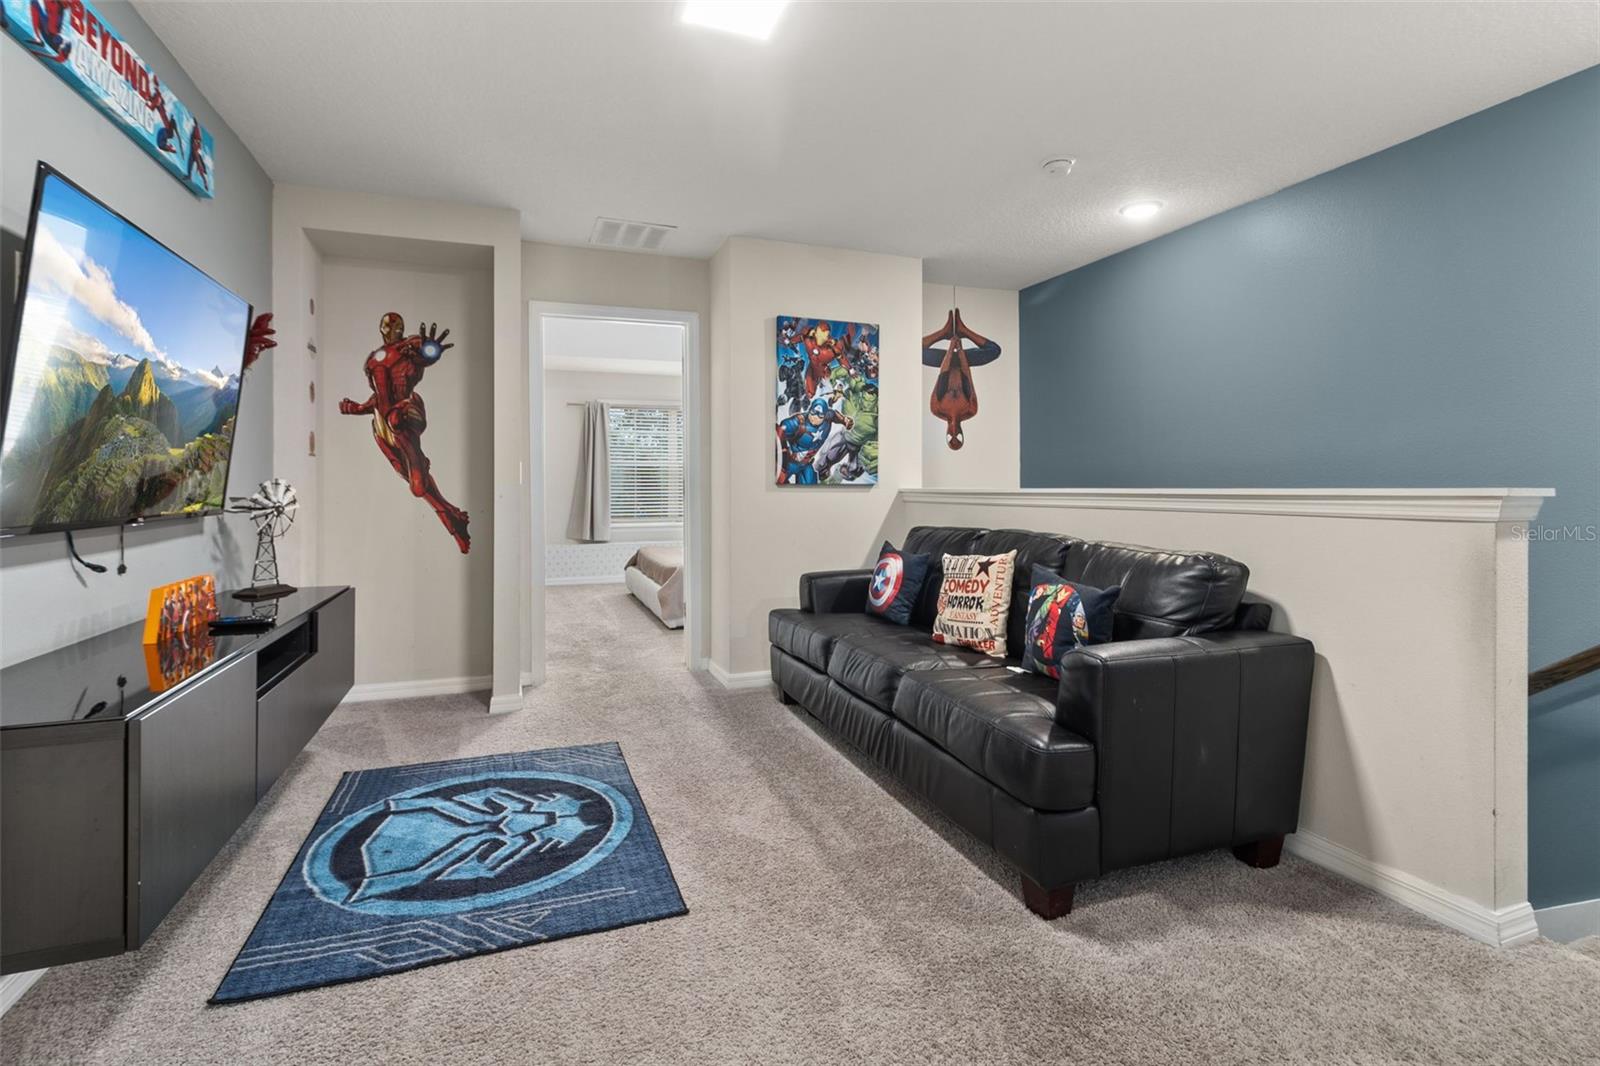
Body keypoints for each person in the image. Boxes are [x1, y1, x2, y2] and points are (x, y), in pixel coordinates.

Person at [338, 312, 471, 552]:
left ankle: (416, 459)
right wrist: (356, 408)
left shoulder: (408, 347)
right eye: (388, 325)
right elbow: (380, 399)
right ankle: (452, 516)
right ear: (382, 329)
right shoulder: (374, 359)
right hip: (383, 426)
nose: (393, 328)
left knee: (396, 420)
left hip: (407, 412)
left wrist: (430, 350)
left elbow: (423, 352)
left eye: (396, 324)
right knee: (415, 483)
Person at [776, 397, 852, 485]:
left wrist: (844, 420)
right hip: (789, 463)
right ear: (809, 410)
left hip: (806, 464)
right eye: (813, 412)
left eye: (820, 415)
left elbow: (834, 415)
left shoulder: (828, 417)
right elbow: (780, 430)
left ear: (825, 415)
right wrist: (782, 453)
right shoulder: (798, 422)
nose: (815, 417)